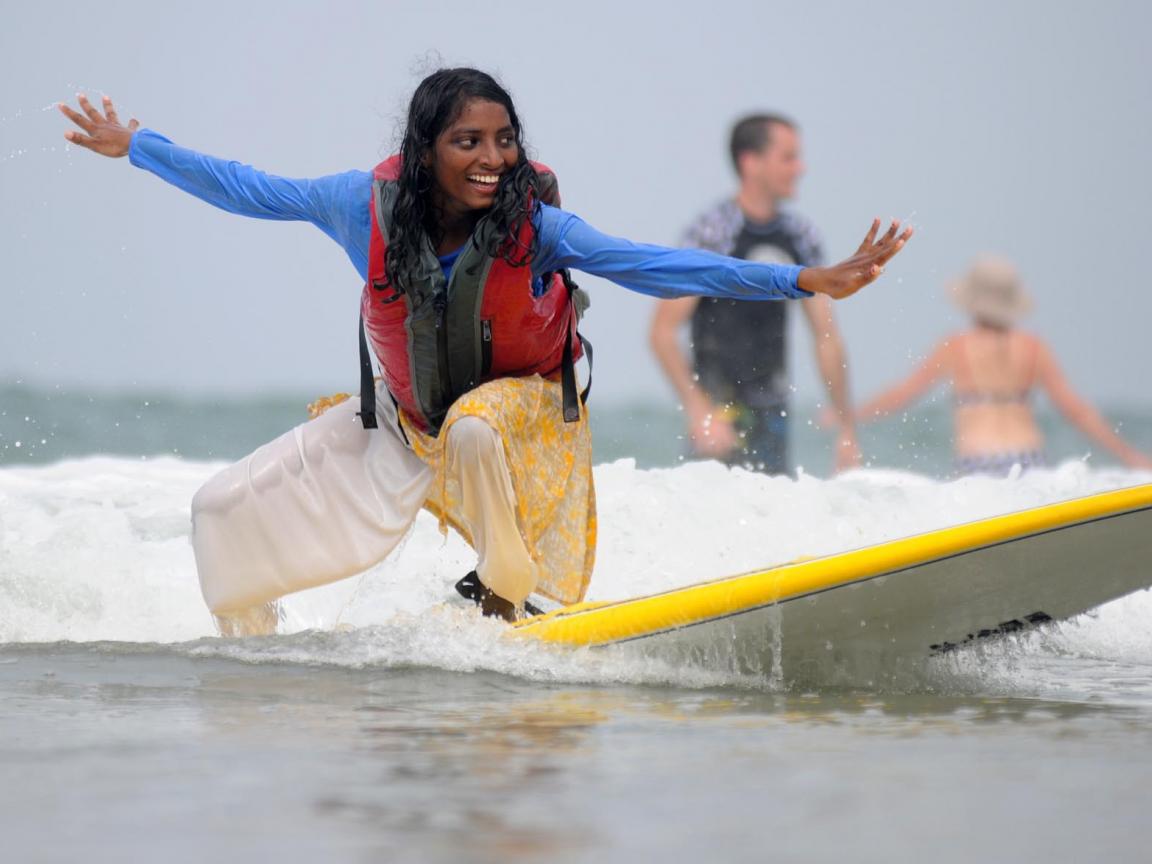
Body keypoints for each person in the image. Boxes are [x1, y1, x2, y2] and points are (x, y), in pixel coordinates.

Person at [59, 69, 911, 634]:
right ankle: (258, 660)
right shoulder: (359, 206)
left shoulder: (538, 228)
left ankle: (506, 587)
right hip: (408, 425)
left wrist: (802, 280)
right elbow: (248, 188)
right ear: (425, 148)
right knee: (219, 512)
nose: (493, 158)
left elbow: (659, 265)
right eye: (468, 141)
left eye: (504, 140)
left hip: (522, 419)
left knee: (474, 424)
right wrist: (139, 148)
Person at [650, 113, 859, 474]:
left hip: (773, 410)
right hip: (719, 413)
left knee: (772, 504)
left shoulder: (799, 237)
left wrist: (846, 429)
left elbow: (826, 335)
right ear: (751, 162)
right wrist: (699, 411)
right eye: (788, 158)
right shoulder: (713, 232)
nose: (801, 168)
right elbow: (662, 332)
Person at [852, 256, 1152, 476]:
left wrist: (848, 417)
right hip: (1030, 459)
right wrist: (1131, 456)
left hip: (977, 462)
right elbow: (1076, 410)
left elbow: (903, 394)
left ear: (970, 299)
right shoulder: (1033, 348)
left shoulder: (956, 346)